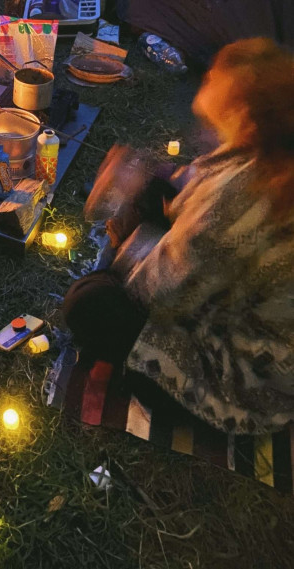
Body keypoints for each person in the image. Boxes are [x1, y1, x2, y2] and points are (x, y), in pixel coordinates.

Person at [63, 38, 294, 434]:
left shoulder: (241, 194)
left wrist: (122, 246)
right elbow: (193, 193)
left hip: (246, 382)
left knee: (90, 304)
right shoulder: (269, 151)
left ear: (238, 108)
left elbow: (156, 296)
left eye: (212, 79)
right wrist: (148, 185)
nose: (204, 81)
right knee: (154, 191)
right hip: (236, 306)